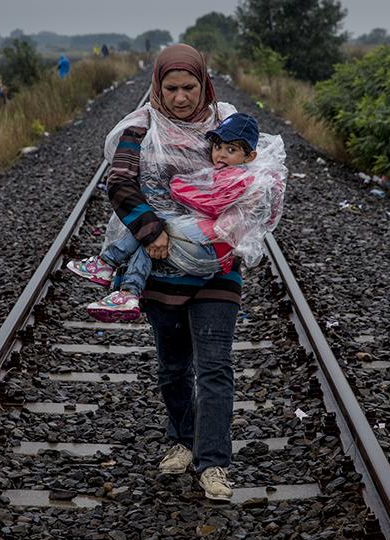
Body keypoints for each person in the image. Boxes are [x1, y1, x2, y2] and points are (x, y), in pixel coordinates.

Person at [92, 44, 277, 501]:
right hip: (160, 268)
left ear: (204, 83)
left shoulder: (228, 125)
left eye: (189, 87)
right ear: (157, 86)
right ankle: (181, 441)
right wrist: (150, 230)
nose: (180, 98)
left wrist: (246, 217)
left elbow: (258, 179)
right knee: (174, 366)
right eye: (170, 88)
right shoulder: (140, 128)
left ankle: (214, 463)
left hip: (217, 267)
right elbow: (119, 182)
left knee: (215, 367)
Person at [67, 112, 283, 322]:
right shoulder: (247, 175)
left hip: (213, 243)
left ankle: (114, 271)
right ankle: (123, 286)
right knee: (151, 229)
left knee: (154, 224)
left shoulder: (240, 177)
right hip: (215, 242)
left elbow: (212, 202)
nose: (221, 154)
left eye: (231, 149)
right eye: (217, 147)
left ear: (250, 156)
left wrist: (178, 186)